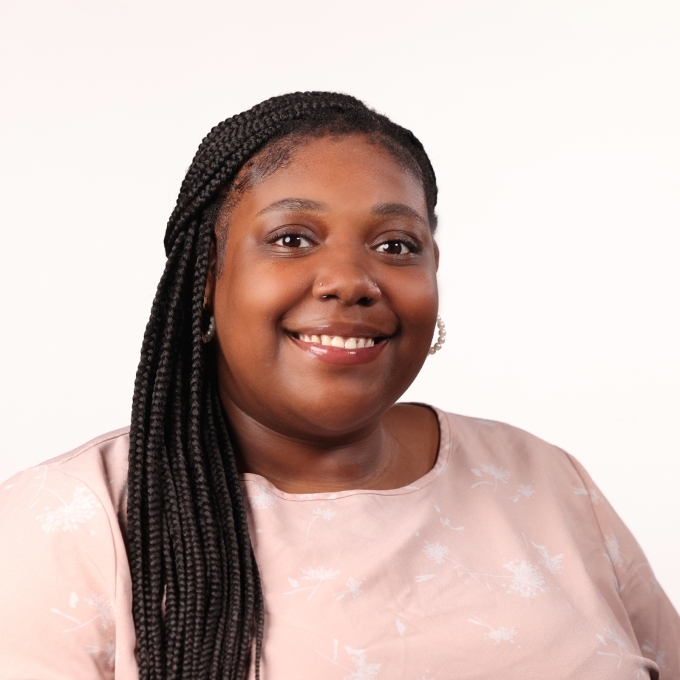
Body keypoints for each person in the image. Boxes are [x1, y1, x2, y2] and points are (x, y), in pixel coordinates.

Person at [0, 91, 677, 680]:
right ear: (205, 277)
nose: (351, 280)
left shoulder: (546, 482)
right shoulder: (69, 525)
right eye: (293, 238)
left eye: (395, 246)